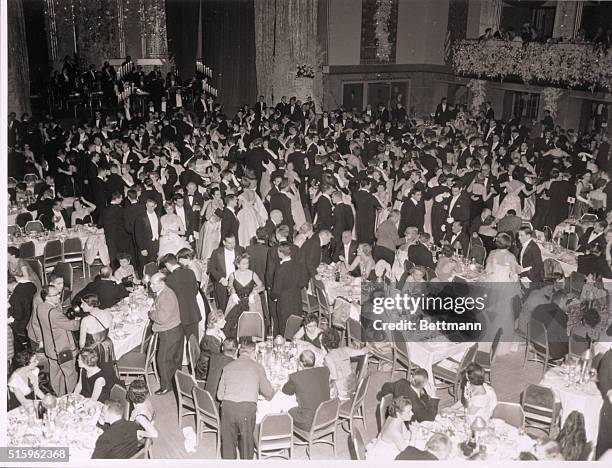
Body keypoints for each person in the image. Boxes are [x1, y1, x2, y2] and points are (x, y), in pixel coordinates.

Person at [217, 340, 275, 459]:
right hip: (246, 409)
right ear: (253, 353)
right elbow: (268, 394)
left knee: (228, 445)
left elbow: (219, 396)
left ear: (239, 351)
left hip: (227, 409)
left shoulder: (227, 367)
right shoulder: (258, 367)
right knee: (246, 445)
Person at [34, 285, 80, 396]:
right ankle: (72, 397)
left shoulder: (40, 307)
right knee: (70, 374)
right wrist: (78, 320)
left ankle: (59, 396)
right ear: (47, 297)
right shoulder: (54, 314)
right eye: (56, 295)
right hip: (63, 350)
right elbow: (73, 326)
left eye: (58, 293)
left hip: (50, 350)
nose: (59, 296)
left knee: (55, 375)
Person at [149, 272, 184, 395]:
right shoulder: (164, 292)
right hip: (175, 329)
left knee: (162, 360)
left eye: (153, 284)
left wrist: (151, 313)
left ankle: (166, 387)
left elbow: (162, 318)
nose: (150, 286)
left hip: (169, 332)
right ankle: (176, 383)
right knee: (173, 359)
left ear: (162, 283)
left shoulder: (166, 296)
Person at [282, 350, 331, 430]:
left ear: (301, 363)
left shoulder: (295, 377)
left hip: (309, 423)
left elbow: (286, 391)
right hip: (327, 417)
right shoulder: (325, 370)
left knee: (286, 410)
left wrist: (289, 379)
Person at [159, 253, 201, 341]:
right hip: (194, 311)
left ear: (167, 264)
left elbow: (170, 300)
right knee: (194, 342)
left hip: (180, 315)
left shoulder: (169, 279)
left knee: (181, 342)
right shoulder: (190, 272)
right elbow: (195, 291)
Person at [223, 253, 265, 338]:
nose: (246, 265)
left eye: (247, 263)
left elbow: (262, 286)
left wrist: (254, 292)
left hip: (250, 302)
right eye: (243, 263)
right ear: (237, 264)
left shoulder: (253, 274)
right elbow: (229, 287)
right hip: (237, 301)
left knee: (251, 327)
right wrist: (233, 293)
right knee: (233, 326)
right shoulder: (232, 275)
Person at [322, 328, 367, 400]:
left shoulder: (328, 357)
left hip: (342, 393)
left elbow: (334, 377)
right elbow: (363, 352)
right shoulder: (345, 349)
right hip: (353, 387)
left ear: (324, 344)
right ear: (339, 340)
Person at [271, 243, 304, 335]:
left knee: (284, 324)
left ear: (281, 253)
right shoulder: (298, 265)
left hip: (284, 301)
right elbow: (302, 283)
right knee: (296, 322)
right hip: (297, 298)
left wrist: (274, 297)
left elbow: (276, 289)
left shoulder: (280, 269)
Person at [78, 293, 116, 373]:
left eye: (83, 304)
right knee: (106, 369)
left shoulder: (86, 320)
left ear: (91, 305)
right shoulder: (107, 313)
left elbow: (81, 344)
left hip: (93, 351)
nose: (81, 306)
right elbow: (110, 329)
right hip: (106, 346)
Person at [208, 234, 246, 311]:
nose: (232, 245)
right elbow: (211, 268)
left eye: (234, 242)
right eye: (229, 243)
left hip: (237, 284)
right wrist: (220, 278)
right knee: (223, 309)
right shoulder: (216, 252)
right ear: (224, 242)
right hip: (223, 285)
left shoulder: (241, 250)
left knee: (238, 309)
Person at [203, 337, 237, 407]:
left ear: (222, 348)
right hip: (218, 406)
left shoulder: (213, 357)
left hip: (206, 399)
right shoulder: (234, 365)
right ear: (236, 350)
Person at [8, 274, 37, 353]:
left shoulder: (14, 298)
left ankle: (19, 349)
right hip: (35, 317)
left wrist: (10, 307)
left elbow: (18, 316)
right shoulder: (30, 285)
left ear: (8, 285)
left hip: (25, 325)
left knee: (8, 327)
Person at [236, 178, 267, 246]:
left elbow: (238, 206)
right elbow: (255, 202)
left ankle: (245, 244)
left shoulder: (241, 195)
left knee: (244, 231)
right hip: (253, 212)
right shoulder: (253, 193)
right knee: (253, 228)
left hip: (245, 213)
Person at [134, 198, 161, 273]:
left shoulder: (158, 215)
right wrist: (142, 248)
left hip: (155, 244)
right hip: (145, 245)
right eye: (148, 206)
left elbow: (159, 229)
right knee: (144, 266)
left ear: (155, 206)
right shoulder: (140, 217)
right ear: (146, 205)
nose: (150, 208)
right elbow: (138, 234)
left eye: (152, 206)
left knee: (153, 266)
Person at [197, 187, 224, 260]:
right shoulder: (210, 203)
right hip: (211, 226)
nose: (219, 196)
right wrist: (213, 210)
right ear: (213, 195)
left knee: (216, 243)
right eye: (217, 194)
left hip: (218, 226)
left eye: (220, 194)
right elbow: (206, 217)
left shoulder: (221, 202)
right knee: (209, 245)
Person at [596, 347, 612, 459]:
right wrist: (609, 392)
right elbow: (603, 378)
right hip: (610, 404)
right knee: (605, 440)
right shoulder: (609, 356)